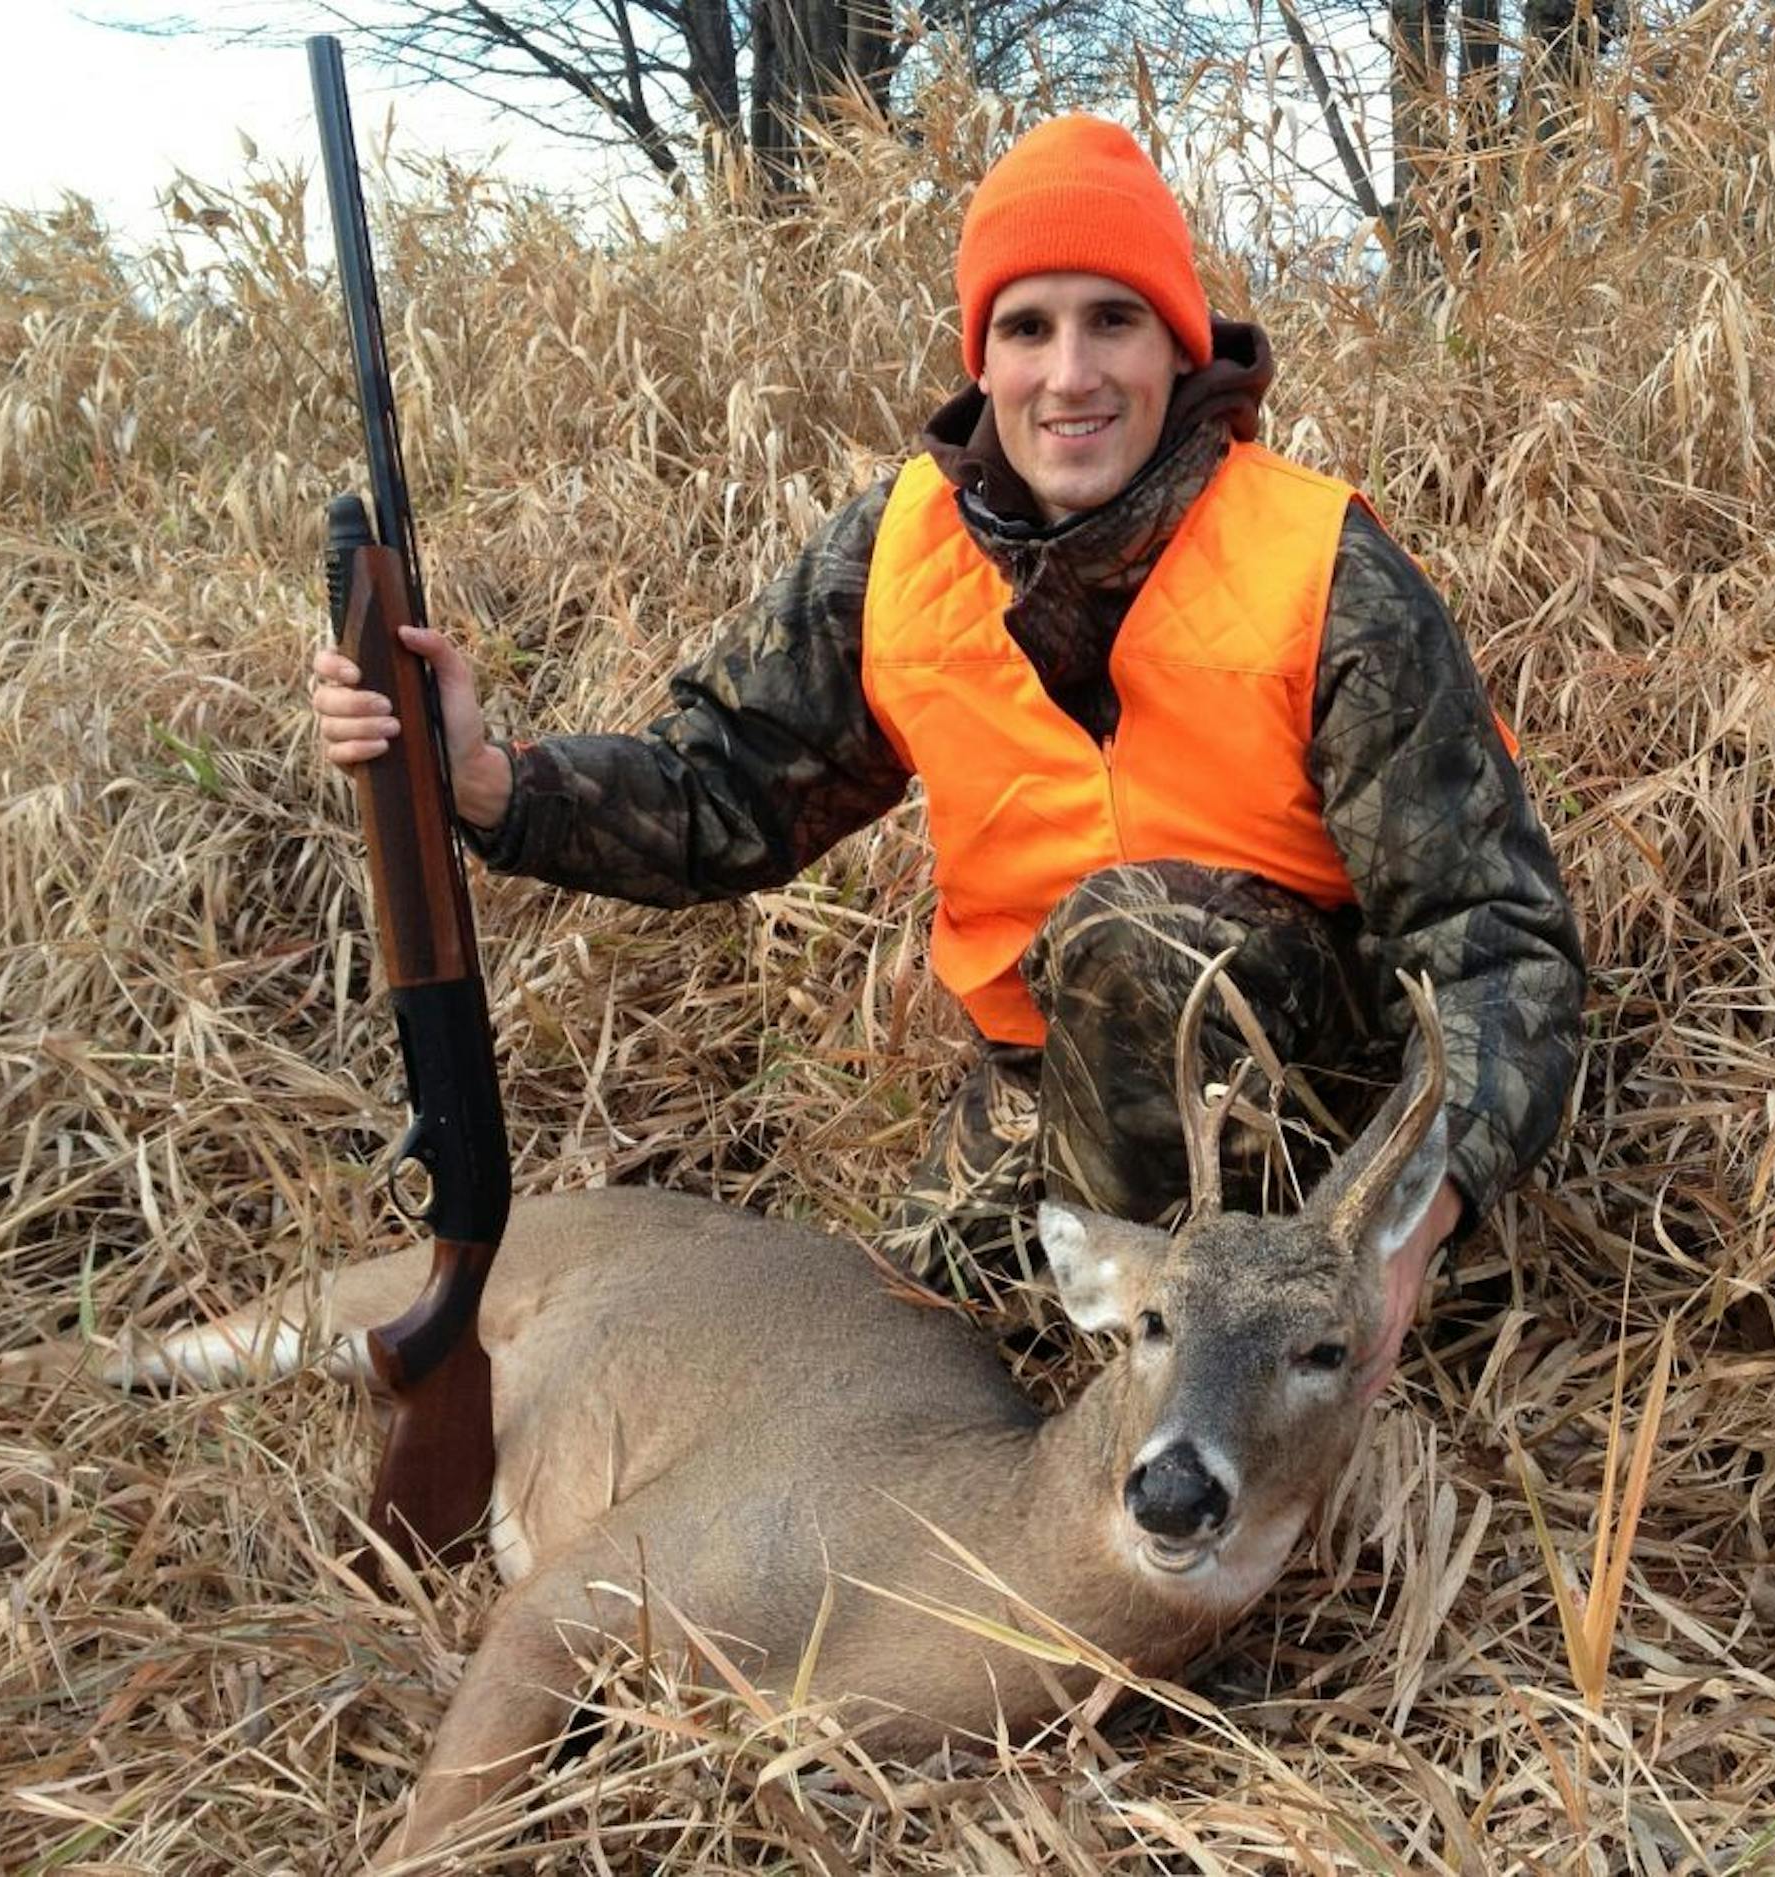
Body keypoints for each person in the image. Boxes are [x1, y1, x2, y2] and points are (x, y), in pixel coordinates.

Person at [309, 115, 1585, 1403]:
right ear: (983, 359)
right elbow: (722, 791)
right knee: (858, 1364)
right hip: (1045, 1079)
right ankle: (1075, 1321)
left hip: (1307, 1108)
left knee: (1141, 943)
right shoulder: (900, 549)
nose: (1069, 374)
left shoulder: (1320, 567)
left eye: (1115, 322)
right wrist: (490, 782)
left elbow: (1493, 944)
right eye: (1027, 329)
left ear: (1179, 346)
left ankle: (1163, 1368)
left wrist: (1394, 1233)